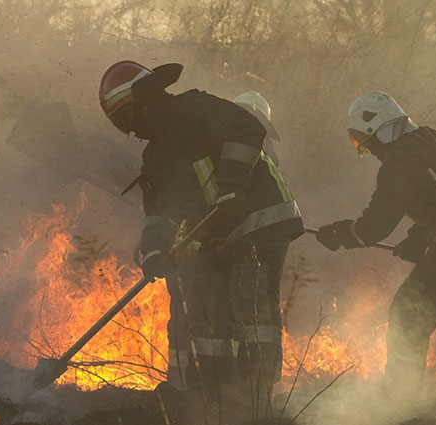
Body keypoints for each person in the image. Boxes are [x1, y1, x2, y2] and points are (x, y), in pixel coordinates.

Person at [99, 60, 303, 420]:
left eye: (126, 117)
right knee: (208, 308)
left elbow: (247, 129)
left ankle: (256, 395)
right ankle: (210, 392)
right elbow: (160, 212)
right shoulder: (156, 154)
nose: (128, 130)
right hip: (217, 231)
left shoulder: (194, 109)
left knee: (250, 304)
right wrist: (154, 249)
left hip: (258, 219)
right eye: (119, 124)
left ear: (145, 99)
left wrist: (231, 187)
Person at [314, 91, 436, 405]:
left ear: (377, 130)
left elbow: (375, 225)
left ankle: (399, 399)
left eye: (366, 142)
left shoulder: (398, 163)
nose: (370, 151)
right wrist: (419, 238)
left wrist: (341, 234)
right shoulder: (431, 140)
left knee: (408, 313)